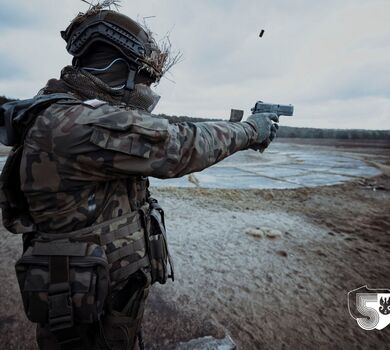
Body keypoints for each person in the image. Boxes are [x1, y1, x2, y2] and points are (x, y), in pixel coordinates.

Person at [0, 3, 279, 350]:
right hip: (84, 311)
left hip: (98, 294)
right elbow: (180, 145)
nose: (146, 88)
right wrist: (251, 129)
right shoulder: (76, 124)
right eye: (145, 78)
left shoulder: (62, 114)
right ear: (122, 72)